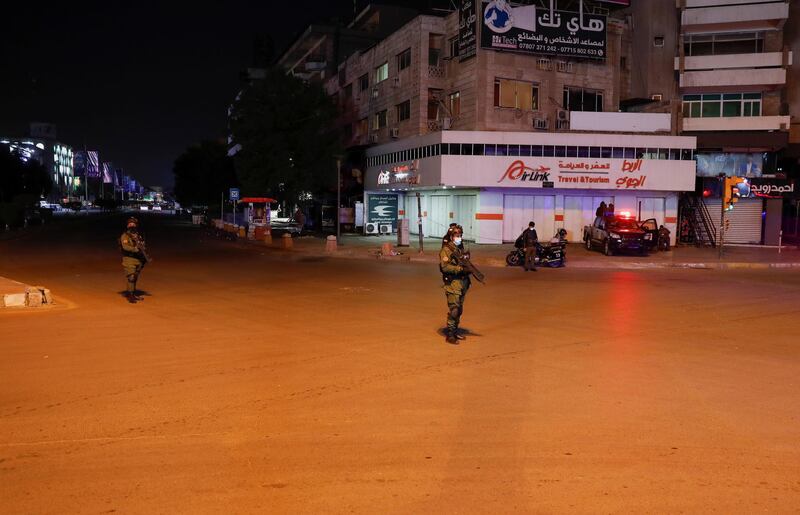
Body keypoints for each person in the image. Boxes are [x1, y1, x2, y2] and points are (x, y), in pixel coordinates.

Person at [439, 225, 470, 344]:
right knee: (454, 309)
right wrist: (459, 269)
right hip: (453, 283)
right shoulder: (446, 250)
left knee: (459, 309)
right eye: (457, 236)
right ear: (451, 237)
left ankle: (455, 331)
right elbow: (445, 267)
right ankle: (450, 334)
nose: (459, 238)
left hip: (462, 283)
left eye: (460, 236)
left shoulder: (459, 248)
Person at [119, 217, 149, 304]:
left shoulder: (138, 235)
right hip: (129, 259)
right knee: (131, 277)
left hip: (138, 259)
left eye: (133, 224)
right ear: (127, 225)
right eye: (130, 224)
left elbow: (143, 246)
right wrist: (135, 249)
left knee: (135, 277)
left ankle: (133, 293)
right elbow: (125, 247)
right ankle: (130, 295)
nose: (132, 225)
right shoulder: (125, 236)